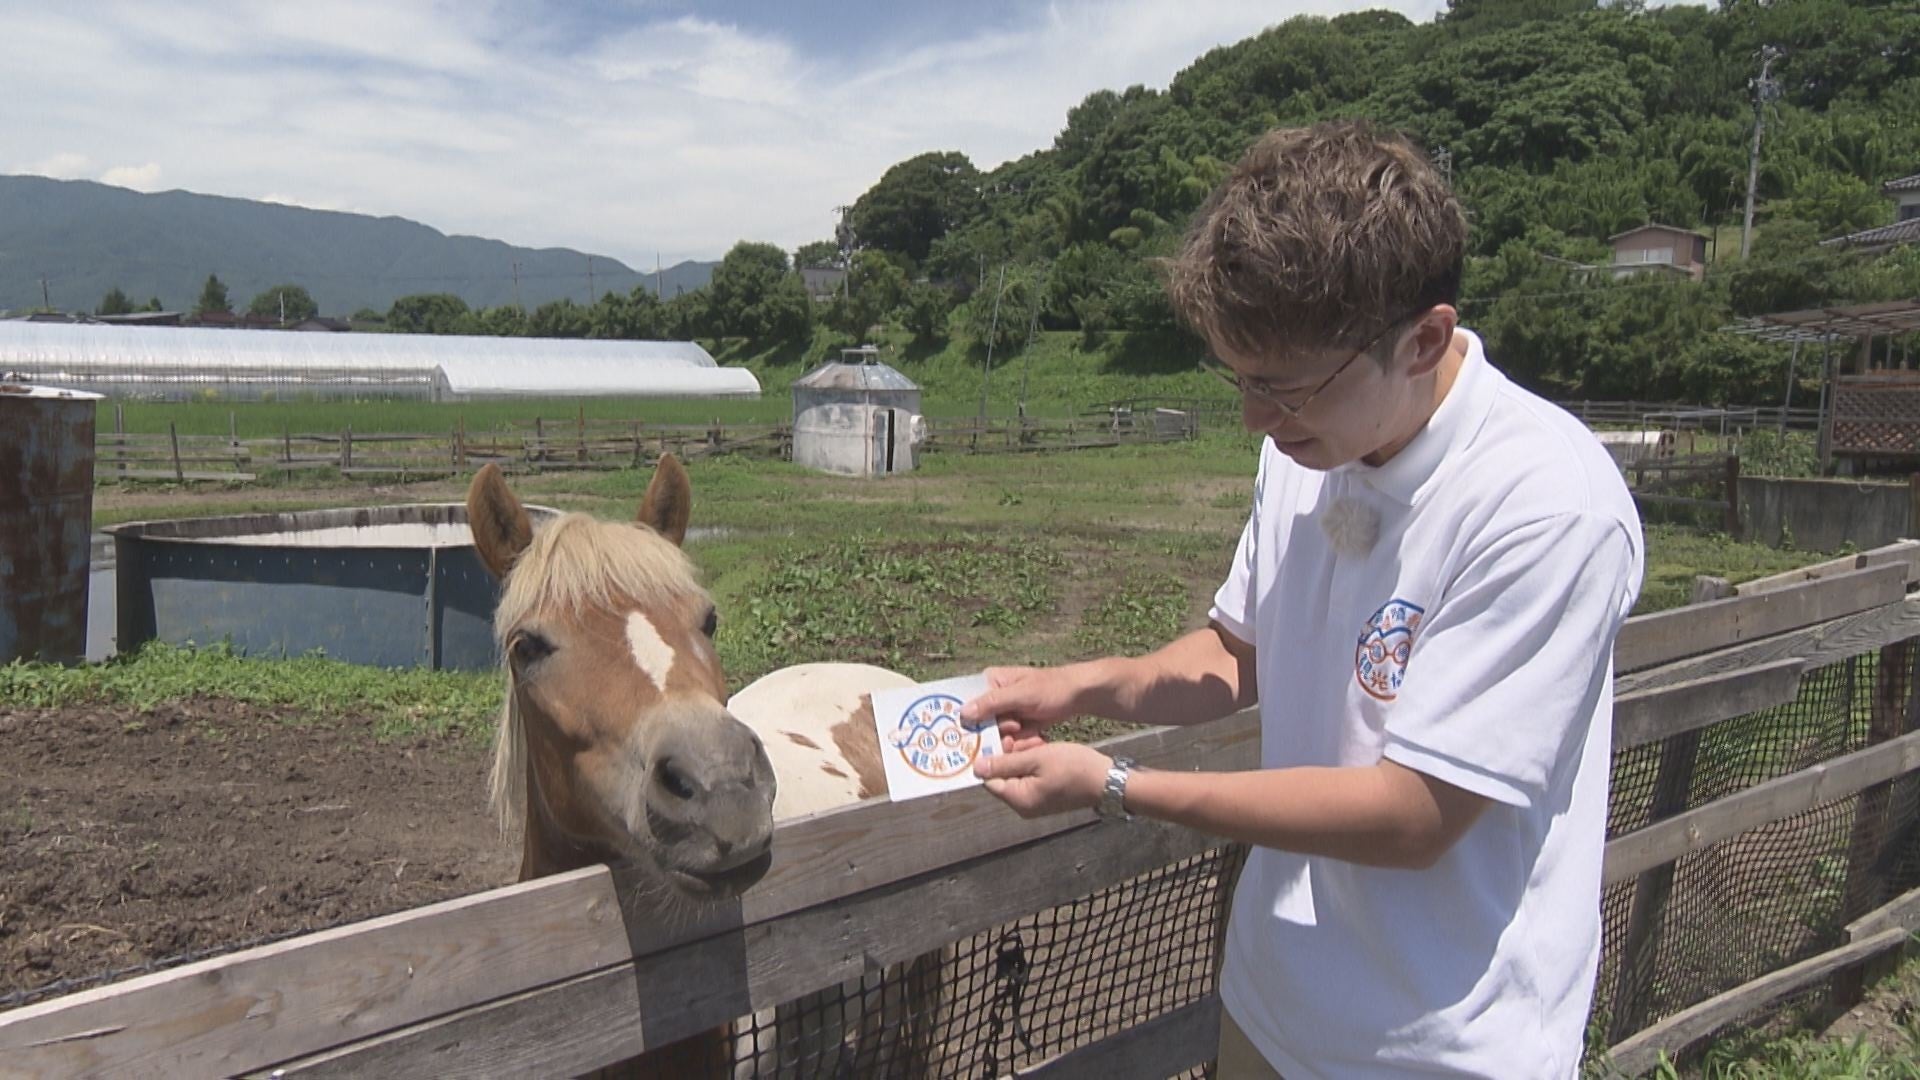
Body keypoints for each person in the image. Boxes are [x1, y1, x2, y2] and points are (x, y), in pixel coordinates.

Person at [962, 120, 1644, 1078]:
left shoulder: (1546, 508)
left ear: (1424, 340)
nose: (1254, 418)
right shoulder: (1306, 449)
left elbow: (1414, 815)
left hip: (1438, 1047)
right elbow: (1238, 653)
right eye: (1239, 380)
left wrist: (1117, 785)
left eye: (1283, 389)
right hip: (1271, 1005)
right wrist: (1076, 687)